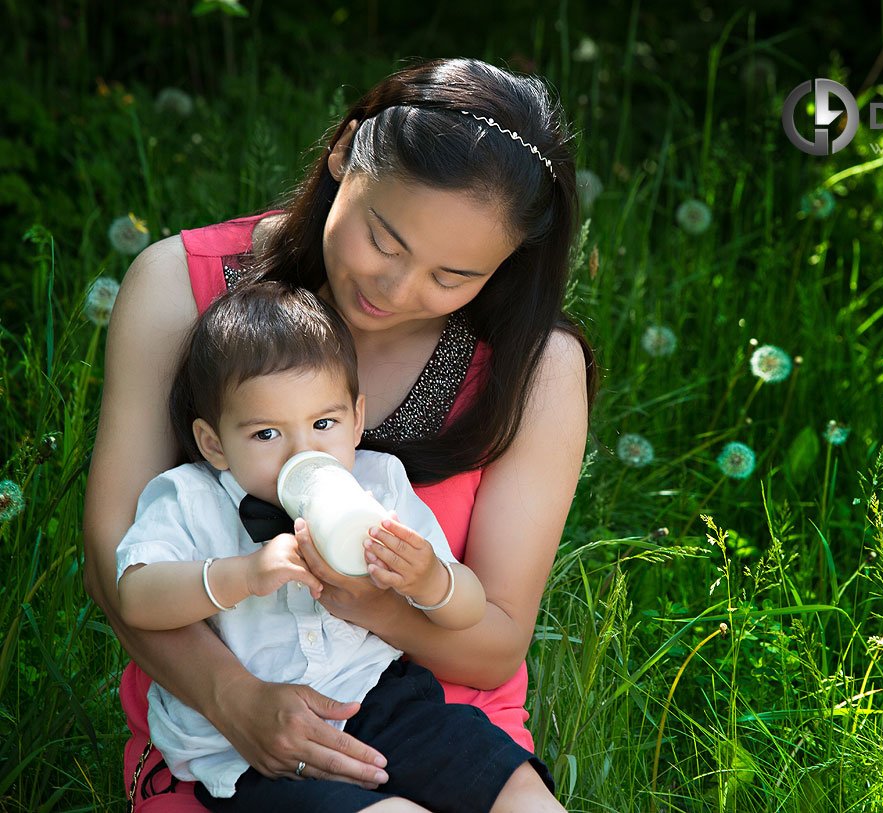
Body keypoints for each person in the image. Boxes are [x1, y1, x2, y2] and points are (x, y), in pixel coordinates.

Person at [82, 57, 592, 812]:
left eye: (451, 276)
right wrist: (237, 699)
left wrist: (382, 598)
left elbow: (495, 644)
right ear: (344, 150)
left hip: (434, 710)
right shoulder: (178, 288)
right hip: (231, 731)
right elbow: (112, 565)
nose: (395, 288)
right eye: (384, 239)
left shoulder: (535, 367)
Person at [116, 282, 551, 813]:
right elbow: (135, 599)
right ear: (214, 443)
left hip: (383, 698)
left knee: (515, 785)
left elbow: (469, 608)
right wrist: (241, 576)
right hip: (254, 747)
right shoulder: (189, 497)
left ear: (356, 419)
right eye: (266, 435)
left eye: (324, 424)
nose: (304, 451)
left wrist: (429, 580)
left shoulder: (378, 485)